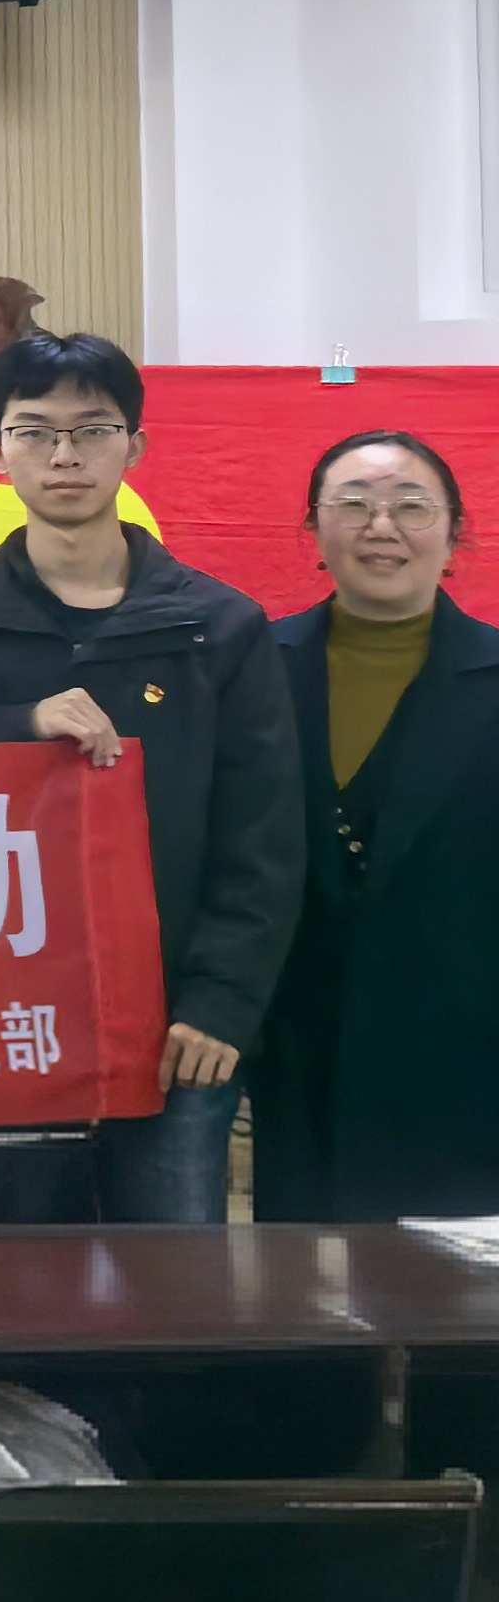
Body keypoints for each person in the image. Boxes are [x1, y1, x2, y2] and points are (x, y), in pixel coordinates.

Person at [0, 332, 301, 1225]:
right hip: (1, 1017)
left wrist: (221, 1004)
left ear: (134, 448)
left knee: (173, 1277)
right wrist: (17, 726)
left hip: (174, 1026)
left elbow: (262, 835)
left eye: (92, 431)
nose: (64, 455)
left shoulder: (218, 627)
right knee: (20, 1278)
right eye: (34, 432)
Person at [256, 434, 499, 1221]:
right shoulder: (253, 667)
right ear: (313, 528)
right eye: (354, 505)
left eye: (411, 507)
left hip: (465, 1052)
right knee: (298, 1278)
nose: (381, 527)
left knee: (451, 1281)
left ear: (456, 530)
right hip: (297, 1049)